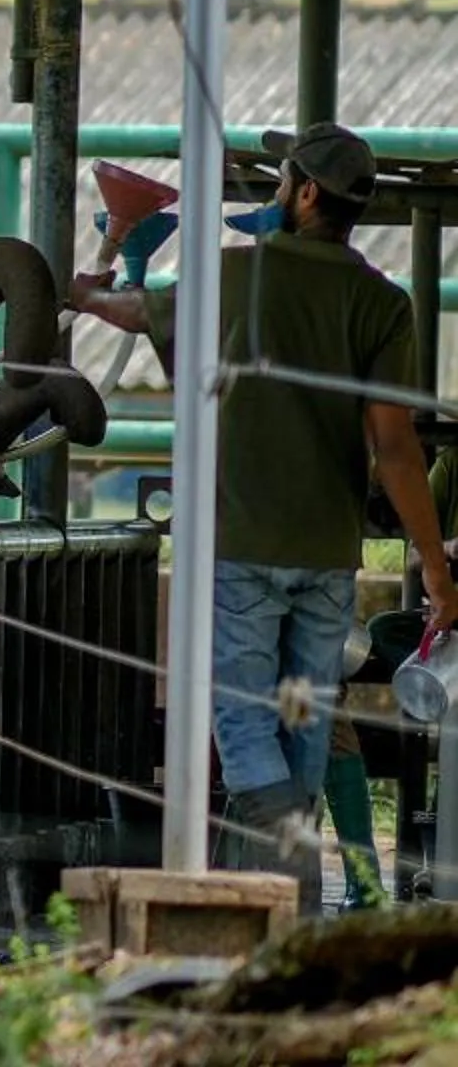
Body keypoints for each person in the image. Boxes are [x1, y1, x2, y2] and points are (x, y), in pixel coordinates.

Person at [71, 121, 458, 909]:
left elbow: (134, 312)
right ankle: (294, 893)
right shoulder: (382, 304)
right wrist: (435, 568)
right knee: (305, 718)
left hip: (237, 548)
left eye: (283, 178)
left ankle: (290, 874)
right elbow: (395, 447)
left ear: (305, 192)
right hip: (325, 556)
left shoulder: (230, 276)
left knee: (244, 721)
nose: (277, 188)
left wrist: (82, 291)